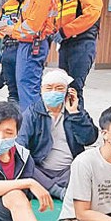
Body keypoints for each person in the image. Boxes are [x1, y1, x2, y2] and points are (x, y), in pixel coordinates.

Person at [17, 69, 98, 200]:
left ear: (68, 91)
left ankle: (50, 188)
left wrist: (75, 114)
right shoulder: (32, 114)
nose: (53, 92)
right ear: (41, 90)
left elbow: (89, 139)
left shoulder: (76, 112)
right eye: (48, 88)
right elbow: (20, 145)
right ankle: (57, 190)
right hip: (40, 170)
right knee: (23, 164)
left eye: (59, 88)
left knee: (89, 166)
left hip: (69, 170)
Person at [0, 0, 58, 112]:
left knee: (28, 89)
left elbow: (32, 26)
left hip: (32, 45)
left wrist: (12, 29)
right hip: (29, 44)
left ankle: (32, 131)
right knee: (25, 88)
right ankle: (30, 128)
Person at [51, 0, 103, 108]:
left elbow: (92, 13)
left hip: (82, 44)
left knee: (74, 88)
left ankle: (76, 123)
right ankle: (66, 122)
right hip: (66, 45)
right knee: (64, 86)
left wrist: (65, 31)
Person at [0, 0, 27, 105]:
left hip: (26, 44)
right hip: (9, 45)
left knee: (25, 80)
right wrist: (3, 31)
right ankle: (13, 100)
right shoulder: (8, 5)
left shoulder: (32, 2)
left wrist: (15, 29)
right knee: (8, 66)